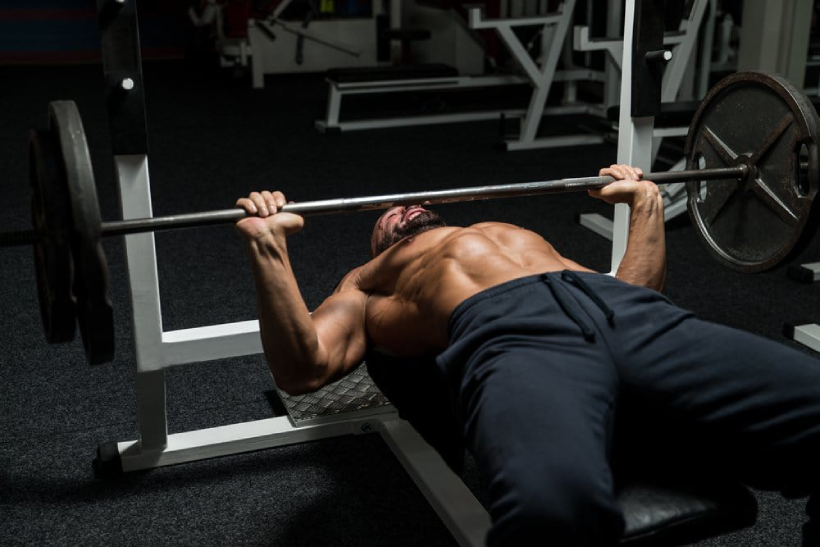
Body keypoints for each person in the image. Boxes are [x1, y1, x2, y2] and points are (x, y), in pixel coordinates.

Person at [234, 165, 820, 546]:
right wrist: (269, 247)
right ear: (379, 239)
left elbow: (638, 291)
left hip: (633, 315)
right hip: (512, 336)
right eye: (390, 214)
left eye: (416, 203)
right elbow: (302, 366)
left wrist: (644, 203)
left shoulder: (511, 233)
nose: (407, 206)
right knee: (552, 515)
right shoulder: (365, 282)